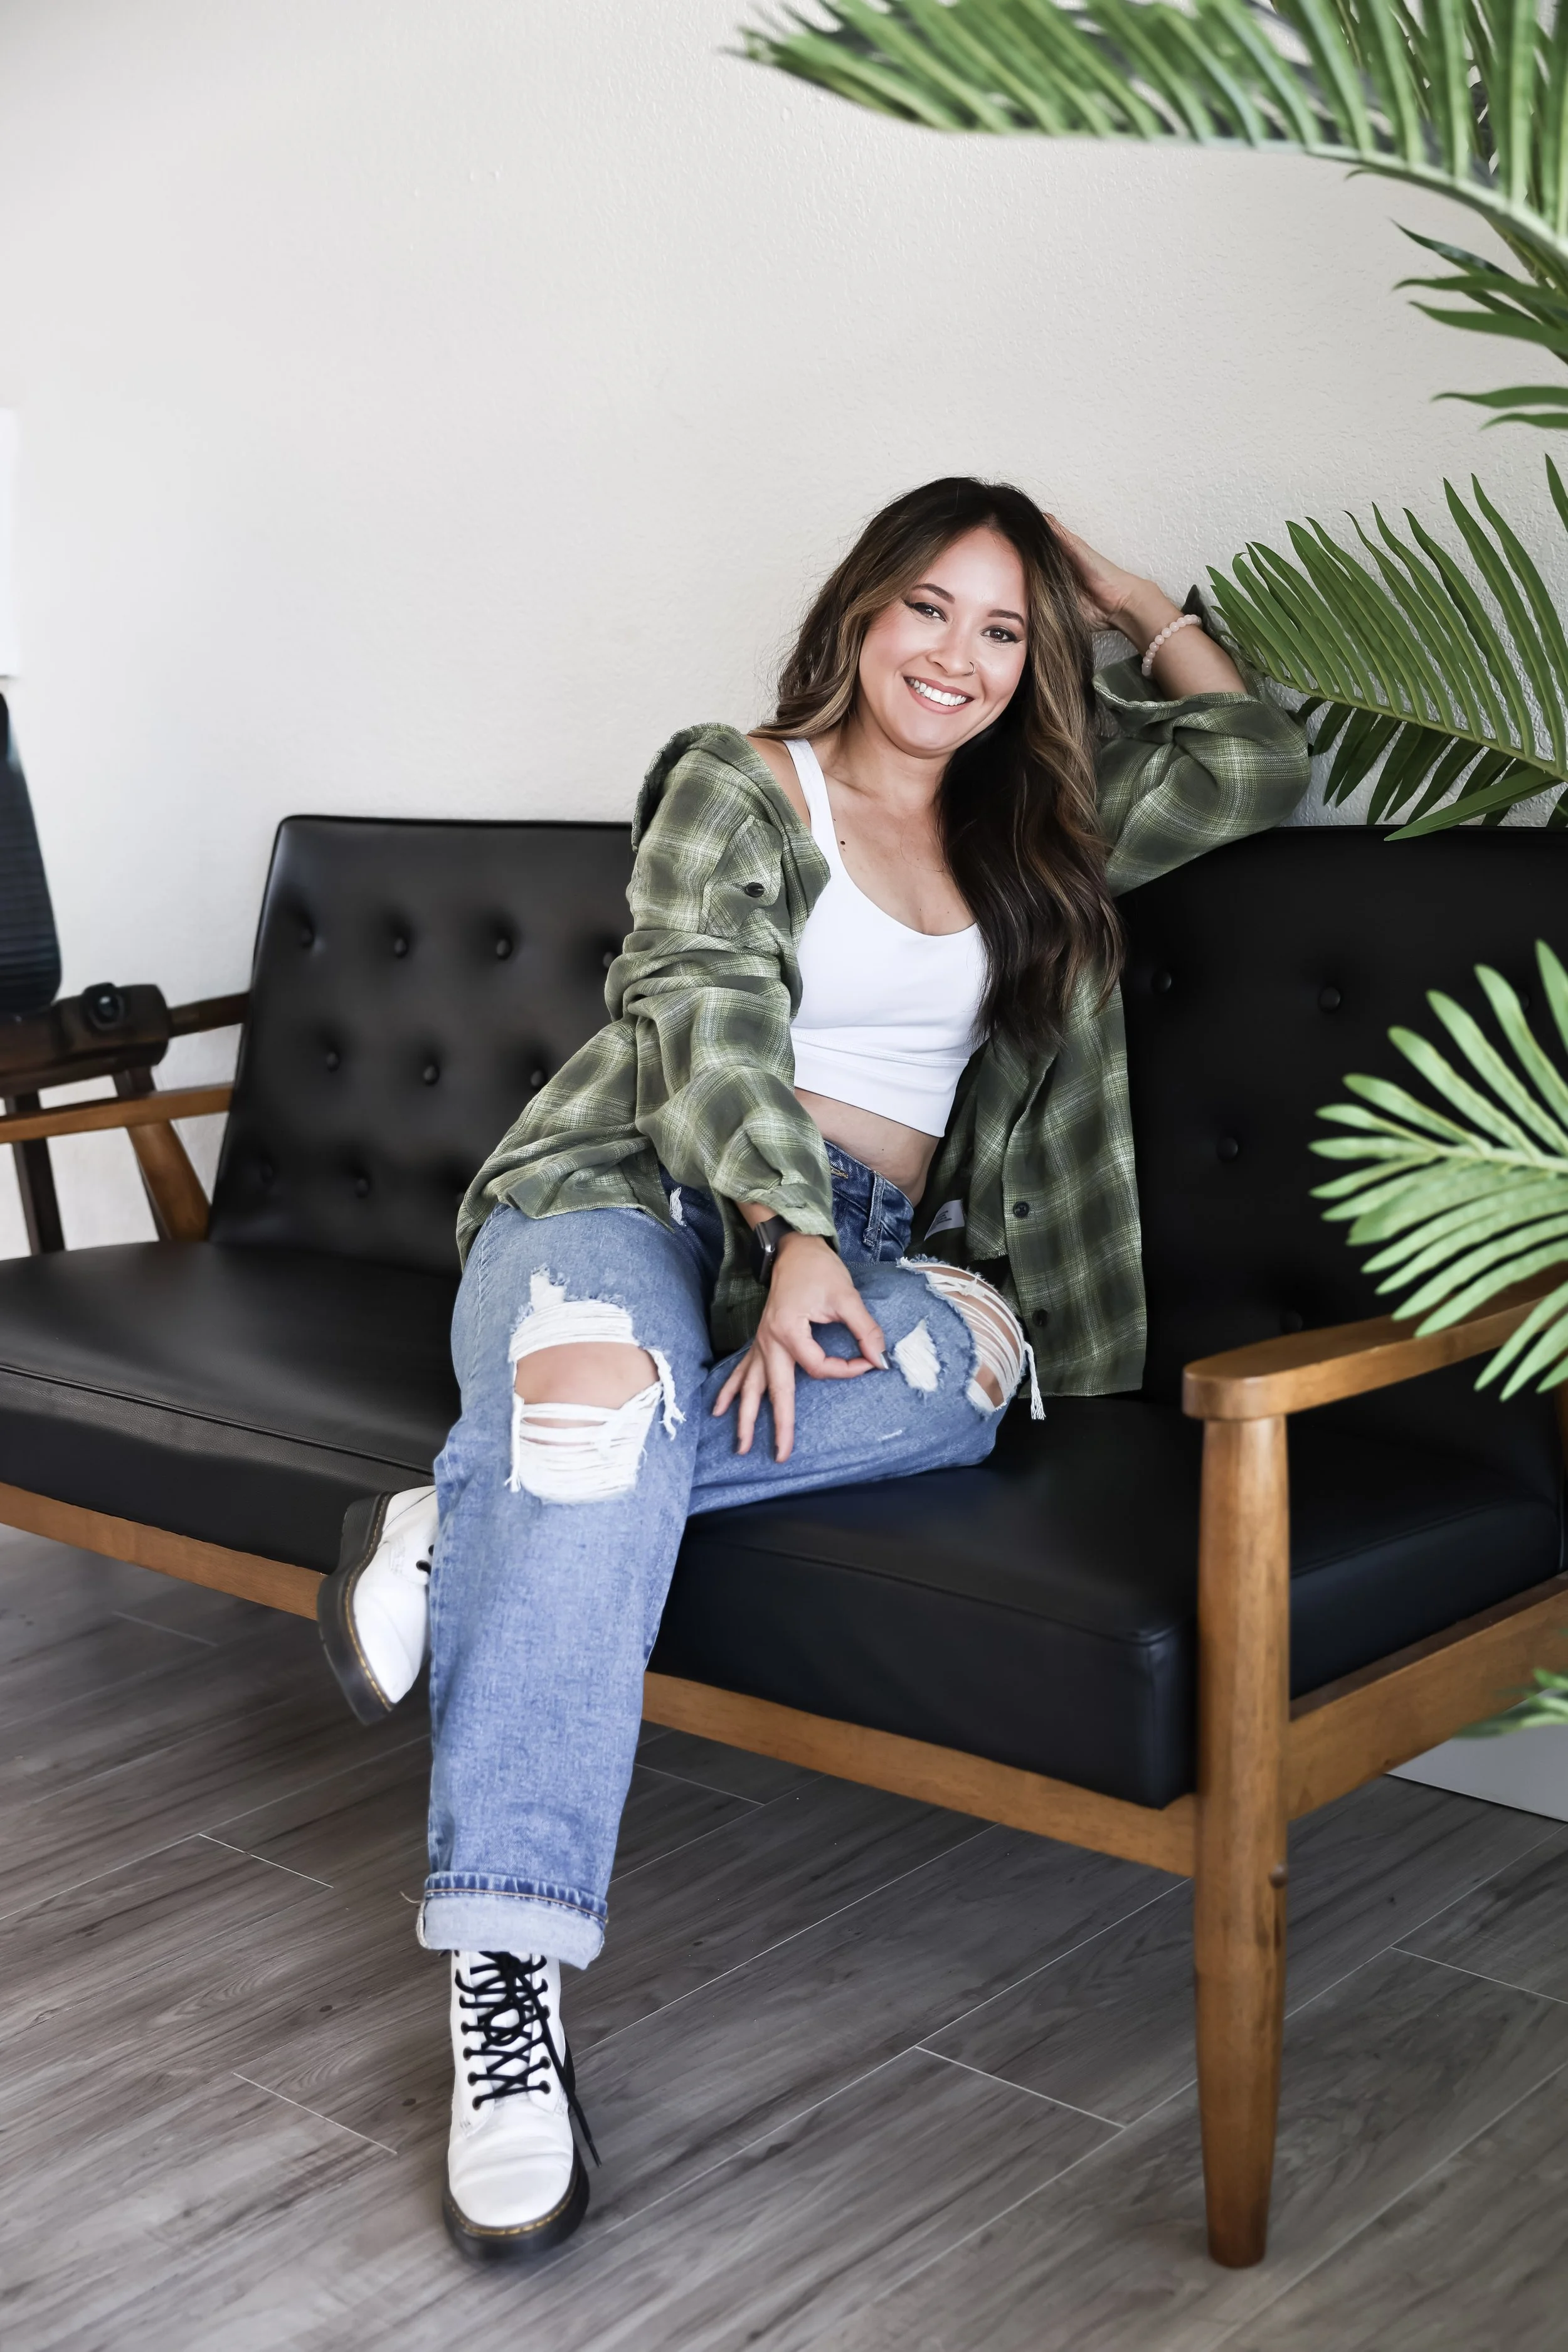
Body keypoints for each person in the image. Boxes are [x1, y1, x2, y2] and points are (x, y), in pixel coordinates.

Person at [315, 477, 1310, 2260]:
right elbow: (701, 1005)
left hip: (889, 1248)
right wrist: (786, 1233)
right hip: (638, 1191)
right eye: (930, 607)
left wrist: (1123, 595)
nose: (958, 656)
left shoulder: (1041, 831)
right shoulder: (739, 780)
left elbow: (1254, 764)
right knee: (585, 1405)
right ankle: (509, 1987)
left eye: (1003, 629)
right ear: (861, 611)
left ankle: (468, 1517)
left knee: (947, 1375)